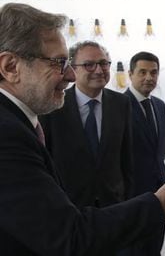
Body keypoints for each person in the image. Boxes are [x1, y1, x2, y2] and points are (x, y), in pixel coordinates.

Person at [0, 2, 165, 256]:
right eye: (58, 63)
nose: (69, 75)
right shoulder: (7, 134)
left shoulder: (18, 121)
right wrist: (159, 204)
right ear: (10, 67)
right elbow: (68, 237)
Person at [40, 41, 133, 212]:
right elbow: (46, 159)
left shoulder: (121, 103)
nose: (99, 70)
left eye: (104, 64)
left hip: (113, 205)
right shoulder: (53, 105)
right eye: (89, 65)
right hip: (67, 206)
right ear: (72, 69)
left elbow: (127, 158)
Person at [124, 51, 165, 256]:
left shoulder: (159, 105)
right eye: (142, 72)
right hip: (130, 195)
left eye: (154, 72)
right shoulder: (118, 105)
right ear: (130, 74)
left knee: (154, 246)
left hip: (159, 191)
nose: (149, 77)